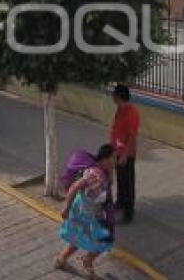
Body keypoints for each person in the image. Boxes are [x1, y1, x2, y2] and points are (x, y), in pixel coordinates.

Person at [55, 144, 116, 277]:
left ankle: (61, 260)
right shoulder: (95, 173)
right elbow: (74, 187)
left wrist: (111, 172)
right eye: (113, 158)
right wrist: (66, 208)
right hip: (84, 214)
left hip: (90, 214)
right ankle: (87, 261)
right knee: (105, 240)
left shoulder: (103, 172)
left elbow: (107, 186)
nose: (115, 162)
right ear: (105, 159)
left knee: (78, 240)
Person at [111, 84, 140, 224]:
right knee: (120, 180)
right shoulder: (120, 109)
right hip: (118, 151)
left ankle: (128, 213)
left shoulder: (132, 113)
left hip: (126, 155)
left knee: (127, 183)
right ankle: (120, 202)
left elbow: (132, 137)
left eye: (114, 95)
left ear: (118, 96)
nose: (112, 97)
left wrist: (124, 155)